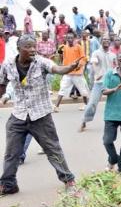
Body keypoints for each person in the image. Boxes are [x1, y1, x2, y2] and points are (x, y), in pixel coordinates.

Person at [0, 34, 82, 196]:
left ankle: (68, 180)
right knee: (11, 152)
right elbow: (2, 83)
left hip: (41, 115)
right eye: (28, 47)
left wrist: (68, 68)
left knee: (53, 149)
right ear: (18, 49)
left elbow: (57, 69)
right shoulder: (8, 64)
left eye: (34, 46)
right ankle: (8, 184)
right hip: (19, 114)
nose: (32, 50)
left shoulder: (41, 62)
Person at [79, 37, 117, 132]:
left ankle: (116, 123)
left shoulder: (113, 54)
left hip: (111, 82)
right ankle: (84, 122)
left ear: (110, 42)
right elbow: (94, 64)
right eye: (104, 40)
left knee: (115, 103)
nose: (106, 41)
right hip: (99, 82)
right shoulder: (96, 53)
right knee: (92, 103)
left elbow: (116, 66)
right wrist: (98, 73)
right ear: (101, 42)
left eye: (108, 40)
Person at [54, 33, 89, 111]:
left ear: (74, 39)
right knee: (62, 88)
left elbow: (84, 58)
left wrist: (79, 66)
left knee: (83, 90)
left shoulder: (79, 47)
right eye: (68, 38)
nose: (70, 40)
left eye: (71, 38)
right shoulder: (64, 47)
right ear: (66, 39)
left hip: (77, 73)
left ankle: (87, 105)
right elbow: (60, 54)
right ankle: (56, 106)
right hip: (68, 72)